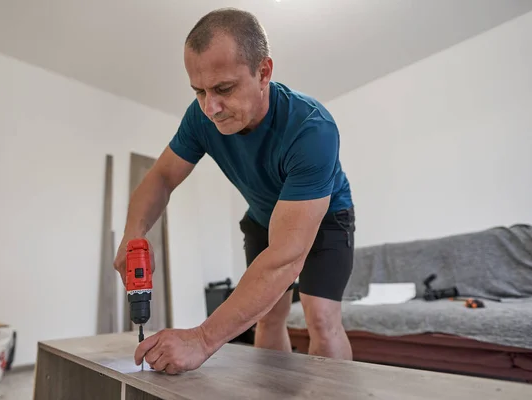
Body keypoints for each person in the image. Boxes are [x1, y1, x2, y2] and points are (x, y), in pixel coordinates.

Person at [113, 7, 355, 375]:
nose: (211, 107)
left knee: (319, 317)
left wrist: (203, 338)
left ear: (264, 72)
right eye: (199, 91)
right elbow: (161, 177)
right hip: (262, 217)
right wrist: (133, 236)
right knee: (268, 318)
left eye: (224, 88)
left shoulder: (312, 129)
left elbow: (287, 257)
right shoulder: (201, 118)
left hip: (325, 219)